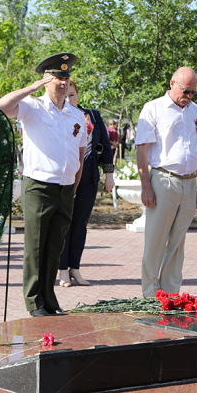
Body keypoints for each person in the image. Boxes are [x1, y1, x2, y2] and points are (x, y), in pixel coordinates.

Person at [0, 53, 87, 317]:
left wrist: (74, 187)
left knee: (55, 248)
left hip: (66, 187)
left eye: (66, 77)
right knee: (35, 248)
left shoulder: (76, 115)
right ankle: (34, 302)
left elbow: (79, 156)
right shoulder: (32, 106)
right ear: (47, 80)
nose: (63, 82)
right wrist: (31, 87)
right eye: (58, 77)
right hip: (39, 186)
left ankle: (49, 298)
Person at [135, 66, 197, 297]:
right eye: (186, 90)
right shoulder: (153, 108)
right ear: (172, 83)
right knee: (156, 241)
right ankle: (150, 294)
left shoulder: (195, 110)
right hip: (164, 180)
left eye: (193, 92)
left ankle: (171, 294)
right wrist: (146, 186)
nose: (189, 96)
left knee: (177, 243)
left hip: (189, 183)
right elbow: (142, 150)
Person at [58, 80, 114, 287]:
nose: (69, 100)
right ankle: (62, 270)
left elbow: (105, 145)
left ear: (78, 95)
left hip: (89, 176)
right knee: (65, 224)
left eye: (72, 95)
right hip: (66, 177)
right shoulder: (58, 116)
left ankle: (75, 269)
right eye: (65, 96)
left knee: (80, 224)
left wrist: (109, 174)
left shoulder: (92, 115)